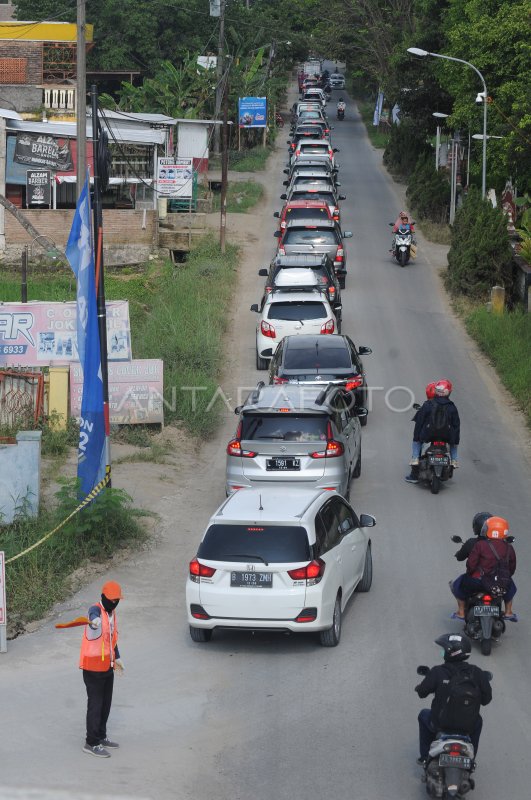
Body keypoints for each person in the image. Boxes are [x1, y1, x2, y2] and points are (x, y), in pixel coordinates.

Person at [415, 633, 492, 766]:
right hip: (468, 727)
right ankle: (470, 759)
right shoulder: (477, 673)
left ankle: (424, 757)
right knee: (478, 721)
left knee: (423, 715)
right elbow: (486, 699)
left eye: (444, 650)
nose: (442, 652)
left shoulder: (438, 671)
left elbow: (422, 693)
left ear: (451, 653)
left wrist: (419, 688)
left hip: (440, 724)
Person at [80, 580, 124, 758]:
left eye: (116, 600)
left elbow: (111, 639)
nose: (114, 602)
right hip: (93, 667)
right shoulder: (97, 610)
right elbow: (92, 613)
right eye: (111, 599)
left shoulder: (112, 614)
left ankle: (101, 736)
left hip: (108, 665)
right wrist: (93, 621)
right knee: (96, 705)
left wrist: (118, 657)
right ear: (103, 597)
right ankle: (91, 742)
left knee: (106, 704)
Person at [450, 516, 517, 621]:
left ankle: (461, 612)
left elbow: (471, 564)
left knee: (457, 584)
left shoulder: (480, 545)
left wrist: (470, 574)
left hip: (478, 581)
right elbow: (512, 567)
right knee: (511, 587)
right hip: (500, 583)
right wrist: (505, 578)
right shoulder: (509, 547)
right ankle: (508, 612)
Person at [405, 378, 460, 483]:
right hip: (446, 436)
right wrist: (454, 440)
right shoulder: (452, 407)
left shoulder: (428, 405)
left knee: (416, 442)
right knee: (454, 444)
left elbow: (419, 423)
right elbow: (456, 426)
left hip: (428, 435)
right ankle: (454, 460)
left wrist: (417, 437)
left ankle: (415, 461)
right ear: (449, 392)